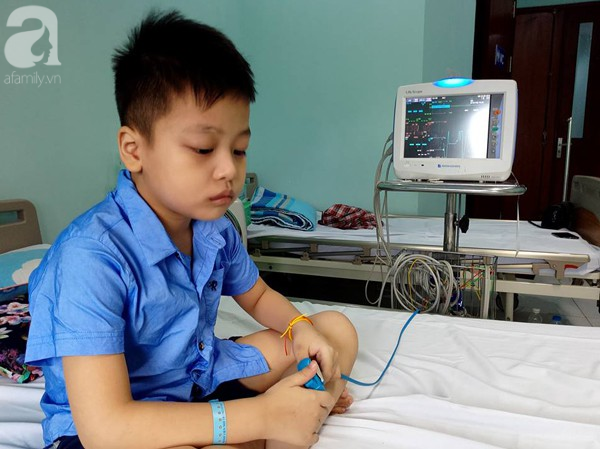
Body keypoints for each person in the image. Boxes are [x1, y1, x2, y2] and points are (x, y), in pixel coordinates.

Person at [25, 9, 358, 449]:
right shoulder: (90, 257)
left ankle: (291, 417)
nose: (229, 170)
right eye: (203, 149)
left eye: (239, 150)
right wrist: (260, 415)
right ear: (133, 149)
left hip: (196, 381)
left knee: (334, 330)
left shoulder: (214, 229)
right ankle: (280, 423)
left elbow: (258, 296)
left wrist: (300, 328)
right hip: (122, 424)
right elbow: (106, 427)